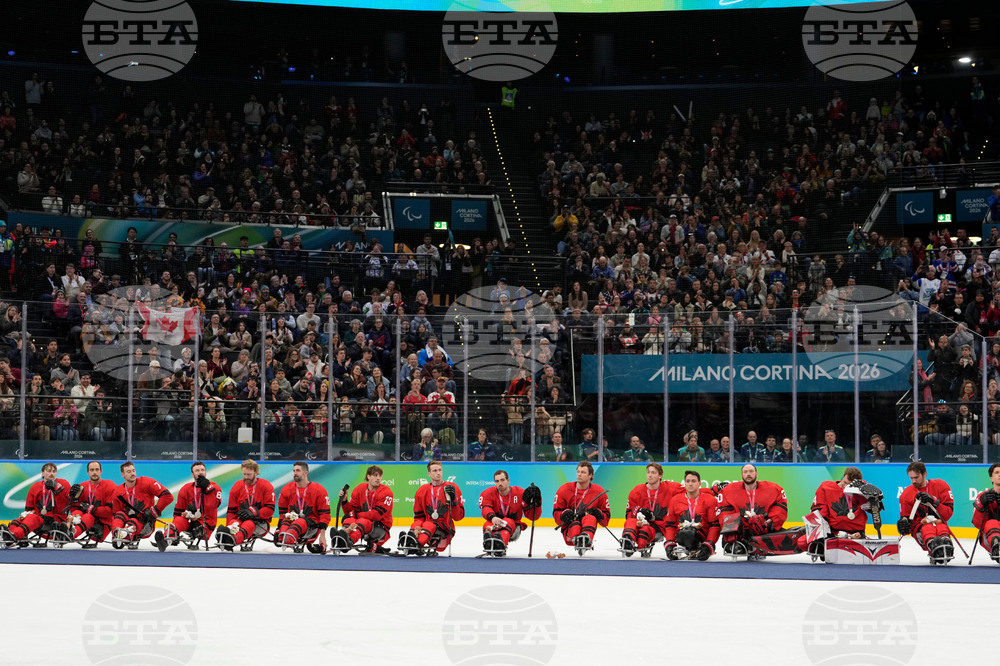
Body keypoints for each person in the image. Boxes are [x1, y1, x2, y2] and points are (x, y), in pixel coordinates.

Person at [717, 464, 788, 558]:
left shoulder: (774, 488)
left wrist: (769, 523)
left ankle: (755, 547)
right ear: (742, 475)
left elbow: (780, 509)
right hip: (742, 531)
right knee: (728, 542)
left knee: (786, 540)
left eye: (751, 471)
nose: (748, 474)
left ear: (757, 474)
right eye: (745, 472)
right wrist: (734, 528)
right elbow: (724, 512)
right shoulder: (728, 491)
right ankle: (747, 546)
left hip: (763, 530)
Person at [797, 466, 870, 558]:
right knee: (802, 542)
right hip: (832, 531)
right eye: (845, 482)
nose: (845, 486)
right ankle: (828, 546)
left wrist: (873, 502)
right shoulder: (826, 487)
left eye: (850, 485)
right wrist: (824, 532)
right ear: (843, 476)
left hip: (855, 532)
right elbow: (819, 508)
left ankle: (847, 542)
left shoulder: (861, 490)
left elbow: (872, 510)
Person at [398, 461, 465, 554]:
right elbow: (418, 517)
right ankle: (410, 540)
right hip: (427, 526)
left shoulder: (451, 487)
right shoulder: (422, 490)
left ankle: (417, 545)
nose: (438, 473)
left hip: (444, 527)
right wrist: (415, 529)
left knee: (428, 524)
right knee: (420, 524)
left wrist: (454, 501)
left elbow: (458, 517)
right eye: (435, 471)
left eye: (440, 470)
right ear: (429, 474)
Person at [154, 461, 222, 552]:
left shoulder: (215, 488)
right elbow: (178, 511)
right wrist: (177, 526)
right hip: (191, 520)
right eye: (197, 470)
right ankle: (166, 539)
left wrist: (207, 489)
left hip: (205, 523)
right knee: (178, 521)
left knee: (195, 528)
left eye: (202, 470)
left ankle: (167, 538)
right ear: (192, 474)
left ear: (205, 472)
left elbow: (212, 506)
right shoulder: (186, 488)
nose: (200, 472)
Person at [897, 461, 956, 564]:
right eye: (911, 478)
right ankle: (934, 546)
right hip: (921, 529)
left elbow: (947, 514)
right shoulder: (906, 494)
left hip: (938, 524)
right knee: (927, 527)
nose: (913, 481)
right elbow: (907, 522)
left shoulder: (941, 485)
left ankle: (946, 543)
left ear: (925, 474)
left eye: (916, 477)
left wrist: (934, 501)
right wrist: (903, 525)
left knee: (941, 526)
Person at [0, 462, 72, 546]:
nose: (52, 473)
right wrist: (25, 514)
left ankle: (14, 536)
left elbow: (70, 501)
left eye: (54, 471)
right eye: (49, 471)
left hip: (56, 519)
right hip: (39, 518)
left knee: (33, 518)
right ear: (42, 473)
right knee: (17, 521)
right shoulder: (35, 487)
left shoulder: (63, 483)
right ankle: (9, 538)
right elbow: (29, 509)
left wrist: (58, 488)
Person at [620, 462, 682, 556]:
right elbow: (628, 513)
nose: (650, 475)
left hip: (661, 526)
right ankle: (628, 540)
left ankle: (637, 544)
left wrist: (712, 490)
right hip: (641, 523)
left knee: (644, 531)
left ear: (660, 475)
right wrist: (638, 511)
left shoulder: (671, 488)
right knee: (631, 522)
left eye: (653, 472)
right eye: (648, 472)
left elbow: (692, 491)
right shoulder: (637, 490)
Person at [331, 464, 394, 554]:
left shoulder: (386, 492)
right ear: (368, 476)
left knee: (362, 521)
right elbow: (350, 512)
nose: (378, 478)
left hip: (380, 526)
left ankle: (349, 541)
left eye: (380, 476)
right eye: (375, 475)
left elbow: (376, 515)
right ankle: (341, 539)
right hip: (362, 522)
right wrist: (344, 501)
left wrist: (357, 514)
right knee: (349, 519)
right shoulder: (359, 489)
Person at [478, 469, 542, 556]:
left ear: (508, 480)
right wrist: (493, 518)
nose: (500, 483)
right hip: (495, 522)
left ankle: (500, 546)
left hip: (514, 526)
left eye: (502, 480)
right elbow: (485, 508)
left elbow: (533, 516)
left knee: (508, 521)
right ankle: (490, 543)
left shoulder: (520, 493)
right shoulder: (488, 493)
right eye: (497, 481)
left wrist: (536, 503)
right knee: (487, 524)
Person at [110, 462, 174, 547]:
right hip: (127, 519)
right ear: (123, 474)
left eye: (133, 470)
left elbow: (168, 496)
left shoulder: (147, 482)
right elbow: (116, 514)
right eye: (128, 472)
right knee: (119, 515)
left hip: (145, 523)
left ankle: (125, 534)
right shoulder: (118, 491)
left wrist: (154, 512)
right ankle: (118, 534)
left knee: (132, 522)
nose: (132, 473)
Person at [217, 459, 276, 550]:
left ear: (256, 472)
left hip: (261, 523)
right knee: (234, 523)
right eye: (244, 474)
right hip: (241, 519)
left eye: (249, 474)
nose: (246, 477)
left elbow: (270, 509)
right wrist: (229, 524)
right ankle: (226, 535)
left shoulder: (266, 485)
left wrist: (253, 512)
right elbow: (231, 511)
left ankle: (233, 540)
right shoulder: (237, 486)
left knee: (249, 524)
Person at [553, 461, 611, 553]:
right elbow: (556, 516)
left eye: (583, 472)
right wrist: (564, 514)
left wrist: (600, 514)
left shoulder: (599, 491)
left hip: (587, 526)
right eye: (578, 472)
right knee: (575, 525)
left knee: (590, 518)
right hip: (570, 530)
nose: (579, 474)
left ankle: (585, 538)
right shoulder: (564, 489)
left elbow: (606, 521)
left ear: (590, 475)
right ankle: (578, 540)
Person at [663, 469, 721, 560]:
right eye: (688, 481)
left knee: (689, 532)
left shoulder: (710, 500)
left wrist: (709, 545)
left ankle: (699, 547)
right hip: (682, 535)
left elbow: (715, 526)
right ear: (684, 483)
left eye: (693, 481)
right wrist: (669, 545)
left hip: (702, 537)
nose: (690, 484)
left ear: (699, 483)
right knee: (687, 532)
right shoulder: (675, 500)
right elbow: (670, 525)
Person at [274, 462, 330, 551]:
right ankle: (284, 537)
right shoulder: (286, 489)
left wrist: (322, 536)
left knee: (299, 522)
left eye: (298, 471)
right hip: (293, 519)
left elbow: (324, 515)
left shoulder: (319, 490)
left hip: (311, 525)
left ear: (306, 473)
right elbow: (282, 513)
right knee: (284, 528)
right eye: (294, 471)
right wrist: (278, 529)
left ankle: (289, 539)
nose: (295, 473)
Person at [66, 460, 117, 546]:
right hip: (85, 522)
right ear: (87, 472)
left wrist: (92, 509)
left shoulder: (109, 485)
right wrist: (73, 499)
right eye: (92, 470)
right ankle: (66, 528)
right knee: (78, 512)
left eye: (97, 470)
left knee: (88, 516)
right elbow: (74, 509)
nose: (94, 472)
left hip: (102, 524)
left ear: (101, 471)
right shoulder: (82, 486)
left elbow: (110, 512)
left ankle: (71, 534)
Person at [972, 462, 1000, 564]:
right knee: (991, 523)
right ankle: (997, 546)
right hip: (989, 537)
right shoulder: (983, 496)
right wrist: (981, 506)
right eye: (997, 472)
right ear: (991, 478)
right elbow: (978, 524)